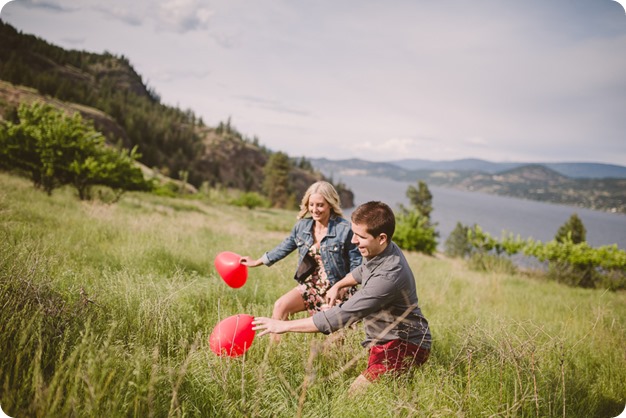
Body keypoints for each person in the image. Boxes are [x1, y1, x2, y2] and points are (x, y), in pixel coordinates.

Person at [252, 201, 431, 394]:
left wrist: (283, 326)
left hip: (404, 345)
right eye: (354, 233)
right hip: (384, 341)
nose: (353, 241)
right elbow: (363, 270)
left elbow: (341, 316)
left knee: (353, 396)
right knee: (391, 394)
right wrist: (339, 284)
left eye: (360, 237)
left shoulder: (389, 276)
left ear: (381, 238)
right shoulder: (382, 249)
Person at [240, 181, 362, 334]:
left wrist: (343, 287)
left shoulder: (345, 229)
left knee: (333, 338)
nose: (315, 210)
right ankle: (272, 354)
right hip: (311, 286)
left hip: (337, 288)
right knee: (280, 306)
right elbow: (284, 247)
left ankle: (335, 356)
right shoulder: (302, 227)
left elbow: (357, 263)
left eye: (320, 205)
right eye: (311, 205)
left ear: (330, 204)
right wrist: (257, 261)